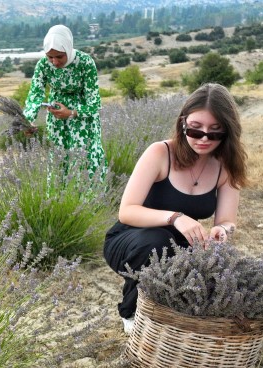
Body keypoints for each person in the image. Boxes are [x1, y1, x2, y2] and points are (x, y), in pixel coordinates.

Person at [103, 83, 248, 334]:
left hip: (183, 246)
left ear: (228, 131)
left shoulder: (226, 165)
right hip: (131, 239)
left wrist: (222, 230)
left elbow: (227, 219)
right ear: (183, 123)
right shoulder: (160, 152)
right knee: (157, 241)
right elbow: (127, 211)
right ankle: (131, 312)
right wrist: (176, 218)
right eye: (196, 129)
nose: (204, 138)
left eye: (215, 132)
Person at [23, 25, 106, 178]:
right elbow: (35, 95)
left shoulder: (85, 63)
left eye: (59, 56)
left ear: (68, 48)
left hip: (83, 120)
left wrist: (71, 113)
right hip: (56, 120)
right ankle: (60, 201)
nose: (54, 62)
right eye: (50, 57)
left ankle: (89, 201)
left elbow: (94, 104)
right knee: (58, 161)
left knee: (84, 161)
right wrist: (28, 121)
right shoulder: (42, 65)